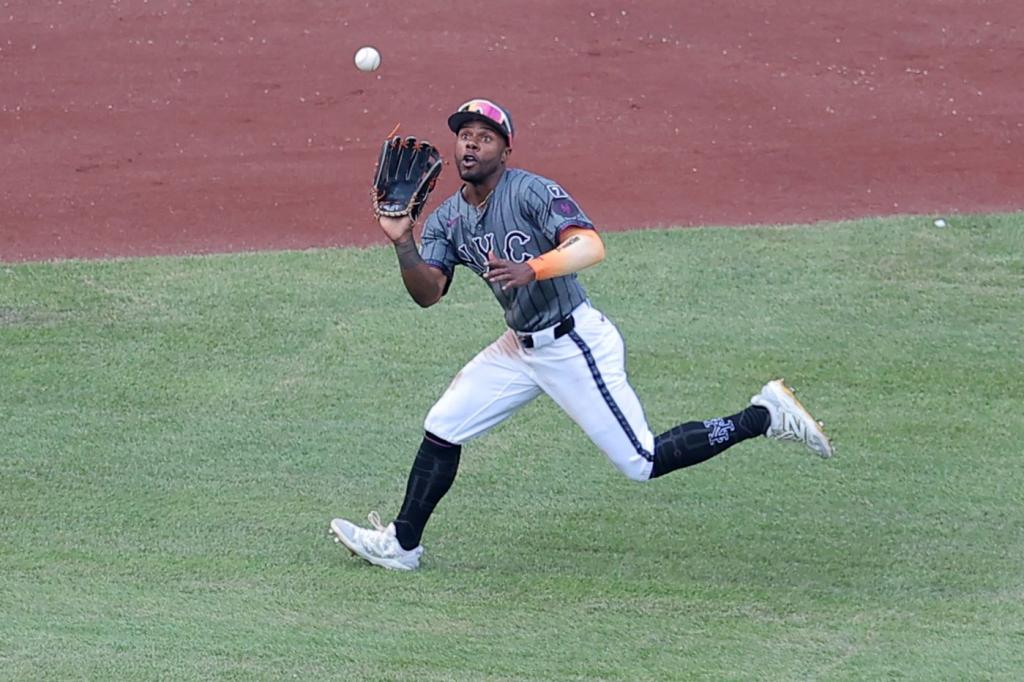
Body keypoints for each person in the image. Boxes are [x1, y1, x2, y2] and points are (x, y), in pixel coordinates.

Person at [329, 98, 833, 570]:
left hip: (574, 342)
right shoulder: (447, 220)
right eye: (464, 135)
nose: (471, 144)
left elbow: (590, 246)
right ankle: (402, 545)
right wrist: (403, 242)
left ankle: (764, 415)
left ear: (505, 150)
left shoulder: (531, 191)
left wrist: (534, 268)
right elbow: (428, 293)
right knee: (443, 425)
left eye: (485, 137)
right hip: (519, 348)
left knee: (641, 461)